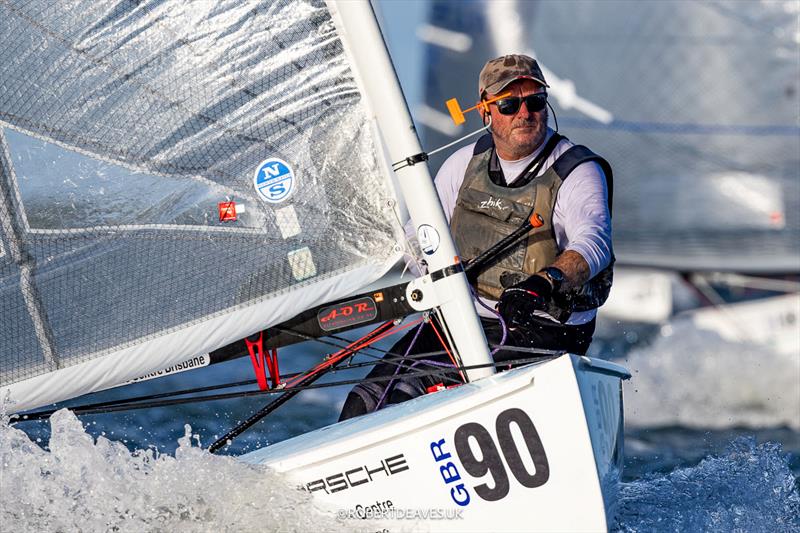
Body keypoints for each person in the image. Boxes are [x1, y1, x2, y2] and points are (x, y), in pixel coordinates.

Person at [339, 54, 613, 420]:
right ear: (485, 110)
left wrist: (542, 284)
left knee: (409, 393)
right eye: (509, 104)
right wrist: (433, 269)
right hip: (467, 319)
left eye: (535, 101)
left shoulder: (576, 170)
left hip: (544, 329)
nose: (524, 113)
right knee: (364, 402)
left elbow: (593, 243)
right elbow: (418, 235)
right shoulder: (463, 163)